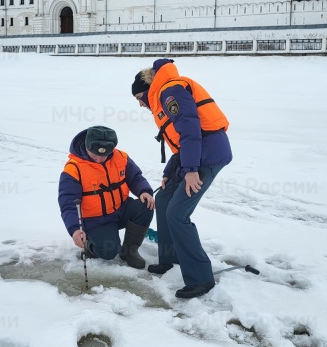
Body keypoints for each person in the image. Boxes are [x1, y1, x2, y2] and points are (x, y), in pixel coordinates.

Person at [132, 59, 232, 299]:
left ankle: (201, 279)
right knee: (165, 199)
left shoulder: (170, 91)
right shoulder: (166, 92)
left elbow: (190, 131)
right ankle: (170, 257)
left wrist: (190, 171)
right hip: (194, 156)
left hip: (207, 158)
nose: (140, 104)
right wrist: (170, 173)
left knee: (178, 214)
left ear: (147, 89)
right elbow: (180, 143)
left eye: (139, 98)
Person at [58, 126, 156, 269]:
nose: (99, 159)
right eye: (94, 154)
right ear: (86, 145)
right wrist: (74, 229)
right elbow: (67, 202)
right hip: (95, 220)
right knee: (109, 252)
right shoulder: (74, 169)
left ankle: (129, 251)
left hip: (120, 209)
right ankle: (90, 246)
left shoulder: (121, 157)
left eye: (104, 155)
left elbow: (135, 177)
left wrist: (143, 191)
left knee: (145, 205)